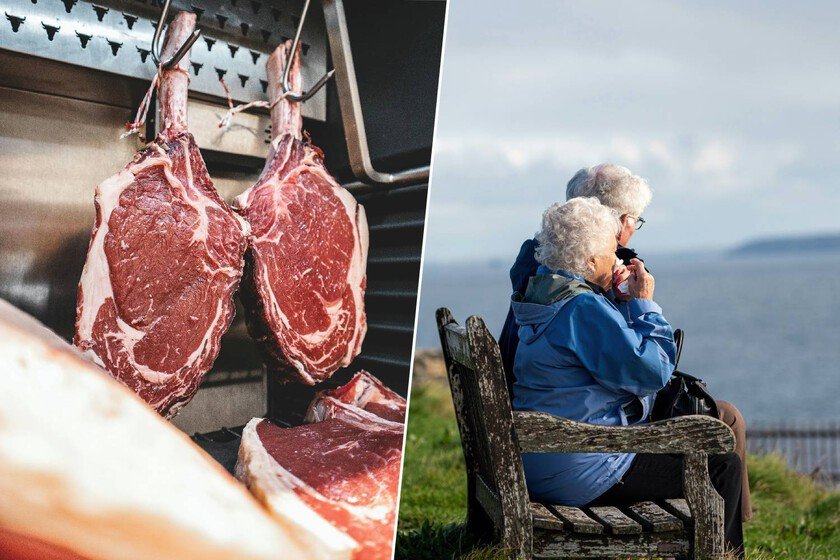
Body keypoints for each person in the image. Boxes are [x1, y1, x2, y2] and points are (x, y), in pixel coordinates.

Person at [499, 163, 752, 521]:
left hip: (540, 447)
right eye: (608, 251)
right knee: (721, 465)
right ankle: (726, 550)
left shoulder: (539, 289)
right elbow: (651, 375)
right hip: (581, 464)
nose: (616, 255)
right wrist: (643, 304)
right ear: (590, 257)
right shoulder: (581, 306)